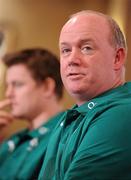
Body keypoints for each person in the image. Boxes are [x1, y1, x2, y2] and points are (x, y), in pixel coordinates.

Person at [38, 10, 131, 179]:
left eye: (86, 48)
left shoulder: (123, 114)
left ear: (117, 58)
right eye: (65, 50)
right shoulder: (70, 117)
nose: (72, 59)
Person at [0, 48, 64, 179]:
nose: (8, 94)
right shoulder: (13, 140)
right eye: (8, 86)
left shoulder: (67, 137)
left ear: (47, 86)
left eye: (17, 84)